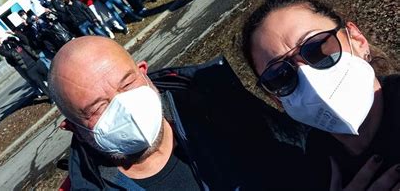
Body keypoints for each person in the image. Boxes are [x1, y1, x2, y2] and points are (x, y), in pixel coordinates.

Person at [49, 37, 334, 190]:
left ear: (144, 74)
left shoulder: (224, 113)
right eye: (99, 107)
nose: (125, 107)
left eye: (127, 84)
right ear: (73, 128)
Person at [241, 0, 400, 190]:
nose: (308, 77)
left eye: (316, 48)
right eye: (280, 75)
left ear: (357, 40)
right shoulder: (314, 165)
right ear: (275, 98)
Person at [0, 32, 50, 97]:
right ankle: (51, 97)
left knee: (49, 77)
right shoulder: (10, 51)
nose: (12, 43)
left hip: (36, 63)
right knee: (39, 83)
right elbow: (1, 52)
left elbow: (23, 38)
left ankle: (56, 88)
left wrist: (13, 33)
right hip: (28, 68)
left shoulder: (21, 44)